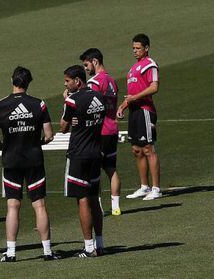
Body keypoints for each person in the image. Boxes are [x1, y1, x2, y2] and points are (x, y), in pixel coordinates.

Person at [0, 66, 59, 262]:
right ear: (28, 82)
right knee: (40, 206)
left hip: (11, 160)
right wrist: (39, 143)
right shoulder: (39, 104)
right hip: (34, 159)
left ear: (13, 80)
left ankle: (11, 253)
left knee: (13, 206)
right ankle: (47, 251)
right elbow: (49, 135)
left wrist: (3, 146)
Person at [60, 65, 106, 257]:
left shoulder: (72, 101)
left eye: (67, 81)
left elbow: (63, 128)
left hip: (79, 155)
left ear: (77, 81)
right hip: (96, 153)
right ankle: (100, 244)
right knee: (95, 198)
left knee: (83, 199)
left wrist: (67, 102)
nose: (65, 84)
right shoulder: (99, 98)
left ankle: (88, 247)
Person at [117, 34, 161, 200]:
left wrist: (134, 98)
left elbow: (154, 87)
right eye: (133, 48)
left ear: (146, 48)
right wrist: (122, 106)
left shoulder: (150, 65)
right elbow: (131, 94)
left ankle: (156, 189)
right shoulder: (133, 69)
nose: (135, 51)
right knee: (136, 149)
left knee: (148, 149)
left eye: (138, 48)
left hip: (145, 111)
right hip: (134, 111)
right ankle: (144, 186)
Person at [80, 48, 122, 216]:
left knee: (93, 171)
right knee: (111, 168)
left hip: (99, 131)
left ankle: (97, 207)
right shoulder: (112, 80)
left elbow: (90, 105)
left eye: (86, 64)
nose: (85, 69)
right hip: (112, 128)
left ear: (95, 61)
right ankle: (116, 207)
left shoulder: (94, 82)